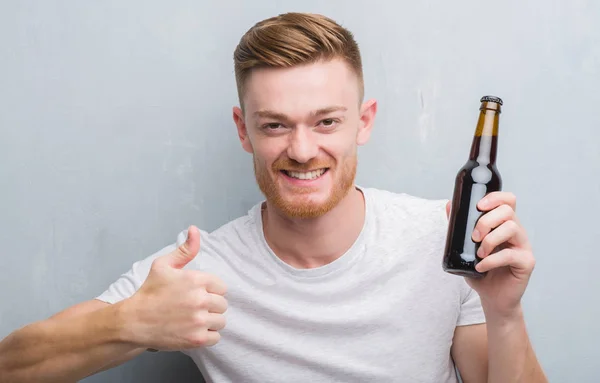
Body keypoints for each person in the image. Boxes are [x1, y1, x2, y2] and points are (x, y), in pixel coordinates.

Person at [0, 12, 547, 383]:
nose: (303, 150)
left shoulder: (443, 240)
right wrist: (127, 324)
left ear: (364, 122)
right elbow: (11, 364)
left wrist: (504, 314)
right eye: (275, 125)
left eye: (326, 121)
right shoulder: (196, 271)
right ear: (244, 131)